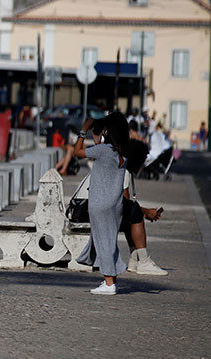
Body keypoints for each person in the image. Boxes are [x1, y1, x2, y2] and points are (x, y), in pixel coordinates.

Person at [72, 111, 149, 295]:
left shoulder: (104, 151)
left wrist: (83, 130)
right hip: (115, 205)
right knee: (108, 242)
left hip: (100, 204)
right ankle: (110, 280)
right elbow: (101, 147)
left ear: (109, 130)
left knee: (103, 243)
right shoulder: (122, 153)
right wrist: (98, 134)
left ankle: (108, 284)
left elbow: (77, 152)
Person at [121, 169, 167, 275]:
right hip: (94, 213)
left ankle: (134, 260)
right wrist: (146, 212)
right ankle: (143, 261)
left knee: (134, 212)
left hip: (84, 208)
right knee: (134, 213)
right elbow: (123, 205)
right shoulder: (123, 169)